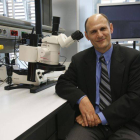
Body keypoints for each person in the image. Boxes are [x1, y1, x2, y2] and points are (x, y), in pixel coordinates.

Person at [55, 14, 140, 140]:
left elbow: (135, 97)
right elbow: (63, 83)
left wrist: (100, 117)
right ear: (87, 36)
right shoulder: (79, 60)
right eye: (93, 31)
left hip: (124, 123)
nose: (99, 35)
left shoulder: (133, 58)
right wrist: (82, 99)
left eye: (103, 29)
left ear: (111, 28)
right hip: (89, 125)